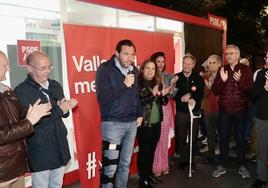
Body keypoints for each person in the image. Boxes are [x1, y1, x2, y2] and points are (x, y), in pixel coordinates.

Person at [14, 51, 78, 188]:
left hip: (59, 145)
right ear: (29, 68)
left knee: (57, 184)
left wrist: (66, 108)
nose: (48, 71)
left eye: (50, 67)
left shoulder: (54, 85)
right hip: (40, 149)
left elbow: (63, 114)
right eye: (43, 68)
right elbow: (32, 123)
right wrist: (60, 109)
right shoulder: (21, 91)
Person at [95, 39, 143, 188]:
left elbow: (136, 95)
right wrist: (123, 85)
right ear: (117, 53)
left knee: (125, 164)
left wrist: (140, 113)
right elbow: (102, 98)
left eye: (132, 54)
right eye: (126, 54)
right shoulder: (105, 69)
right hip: (113, 125)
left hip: (131, 123)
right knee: (110, 167)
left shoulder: (134, 70)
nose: (130, 58)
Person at [0, 51, 51, 188]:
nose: (9, 68)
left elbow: (17, 115)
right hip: (3, 170)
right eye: (5, 65)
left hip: (16, 166)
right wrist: (29, 122)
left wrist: (34, 112)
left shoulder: (6, 90)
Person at [212, 44, 253, 178]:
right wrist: (222, 81)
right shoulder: (222, 69)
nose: (228, 56)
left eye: (231, 53)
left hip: (240, 110)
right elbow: (215, 90)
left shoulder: (245, 69)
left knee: (240, 139)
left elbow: (249, 89)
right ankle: (222, 165)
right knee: (223, 139)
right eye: (226, 54)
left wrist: (239, 81)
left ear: (237, 55)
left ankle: (241, 165)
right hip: (224, 111)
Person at [137, 59, 170, 188]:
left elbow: (162, 102)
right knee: (145, 152)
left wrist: (163, 95)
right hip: (145, 124)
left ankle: (149, 175)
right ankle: (143, 179)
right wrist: (154, 95)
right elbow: (139, 102)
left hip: (157, 122)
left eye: (153, 68)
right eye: (148, 68)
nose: (150, 71)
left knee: (151, 151)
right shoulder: (139, 84)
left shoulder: (156, 83)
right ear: (143, 70)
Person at [173, 53, 204, 169]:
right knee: (181, 136)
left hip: (194, 112)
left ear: (193, 65)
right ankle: (183, 160)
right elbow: (173, 94)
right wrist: (180, 98)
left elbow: (200, 93)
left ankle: (192, 160)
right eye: (184, 63)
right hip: (181, 112)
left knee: (193, 137)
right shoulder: (177, 77)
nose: (186, 66)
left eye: (189, 64)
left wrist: (191, 96)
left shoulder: (198, 78)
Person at [150, 52, 177, 177]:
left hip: (166, 109)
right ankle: (156, 166)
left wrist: (171, 87)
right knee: (156, 139)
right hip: (154, 110)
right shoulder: (150, 75)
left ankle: (164, 165)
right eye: (158, 61)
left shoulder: (169, 76)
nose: (161, 64)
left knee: (164, 138)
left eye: (162, 61)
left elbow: (174, 95)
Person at [250, 50, 268, 188]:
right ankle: (261, 178)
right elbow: (253, 95)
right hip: (262, 118)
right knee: (262, 150)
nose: (267, 59)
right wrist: (265, 88)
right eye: (267, 57)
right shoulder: (261, 74)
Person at [202, 55, 221, 163]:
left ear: (219, 64)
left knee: (223, 134)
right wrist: (209, 88)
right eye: (209, 63)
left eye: (214, 63)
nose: (211, 65)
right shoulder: (204, 77)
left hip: (221, 109)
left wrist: (213, 86)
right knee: (210, 135)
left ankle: (223, 157)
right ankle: (211, 157)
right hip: (208, 110)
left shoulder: (224, 76)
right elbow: (201, 94)